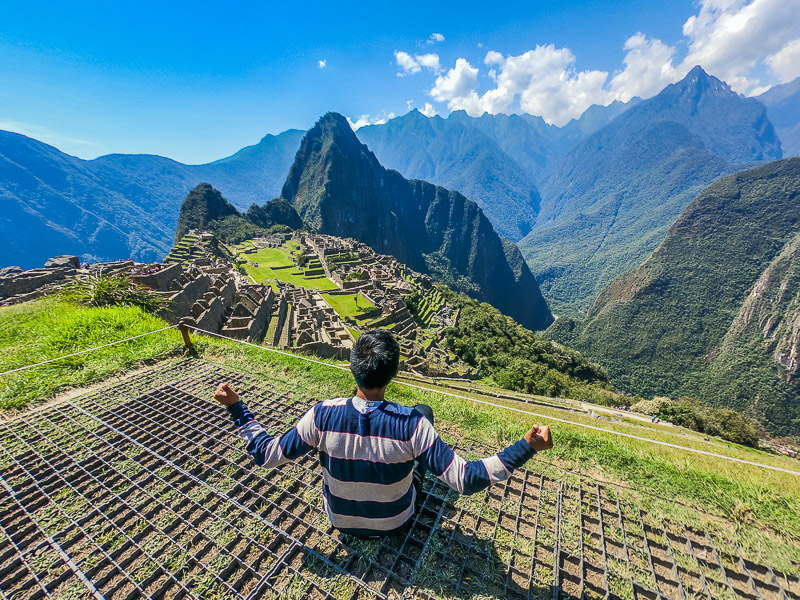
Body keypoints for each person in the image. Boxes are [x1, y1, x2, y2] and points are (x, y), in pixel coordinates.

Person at [214, 329, 554, 538]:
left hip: (339, 521)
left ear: (352, 367)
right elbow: (468, 479)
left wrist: (237, 407)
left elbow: (266, 454)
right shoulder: (412, 425)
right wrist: (527, 446)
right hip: (396, 522)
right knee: (425, 413)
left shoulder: (321, 415)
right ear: (393, 373)